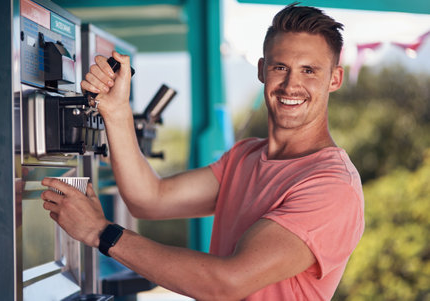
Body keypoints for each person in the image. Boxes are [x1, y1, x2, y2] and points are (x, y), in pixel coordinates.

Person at [41, 4, 364, 300]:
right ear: (262, 69)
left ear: (334, 79)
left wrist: (101, 232)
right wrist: (116, 112)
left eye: (310, 71)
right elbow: (149, 199)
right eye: (281, 67)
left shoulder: (331, 186)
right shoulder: (247, 156)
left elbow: (228, 283)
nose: (291, 84)